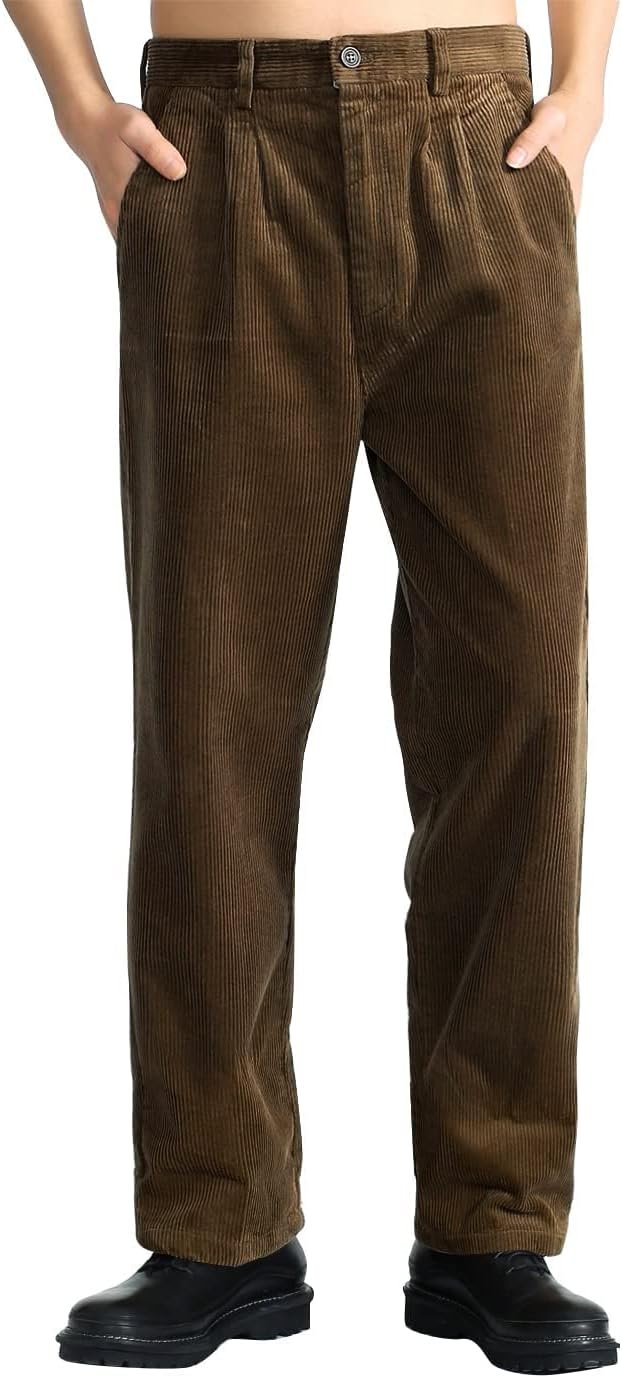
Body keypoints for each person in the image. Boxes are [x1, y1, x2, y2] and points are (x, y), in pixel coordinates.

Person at [3, 0, 619, 1371]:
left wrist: (582, 83)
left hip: (479, 139)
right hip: (223, 147)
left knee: (521, 699)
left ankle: (492, 1223)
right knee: (208, 704)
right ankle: (220, 1225)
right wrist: (79, 106)